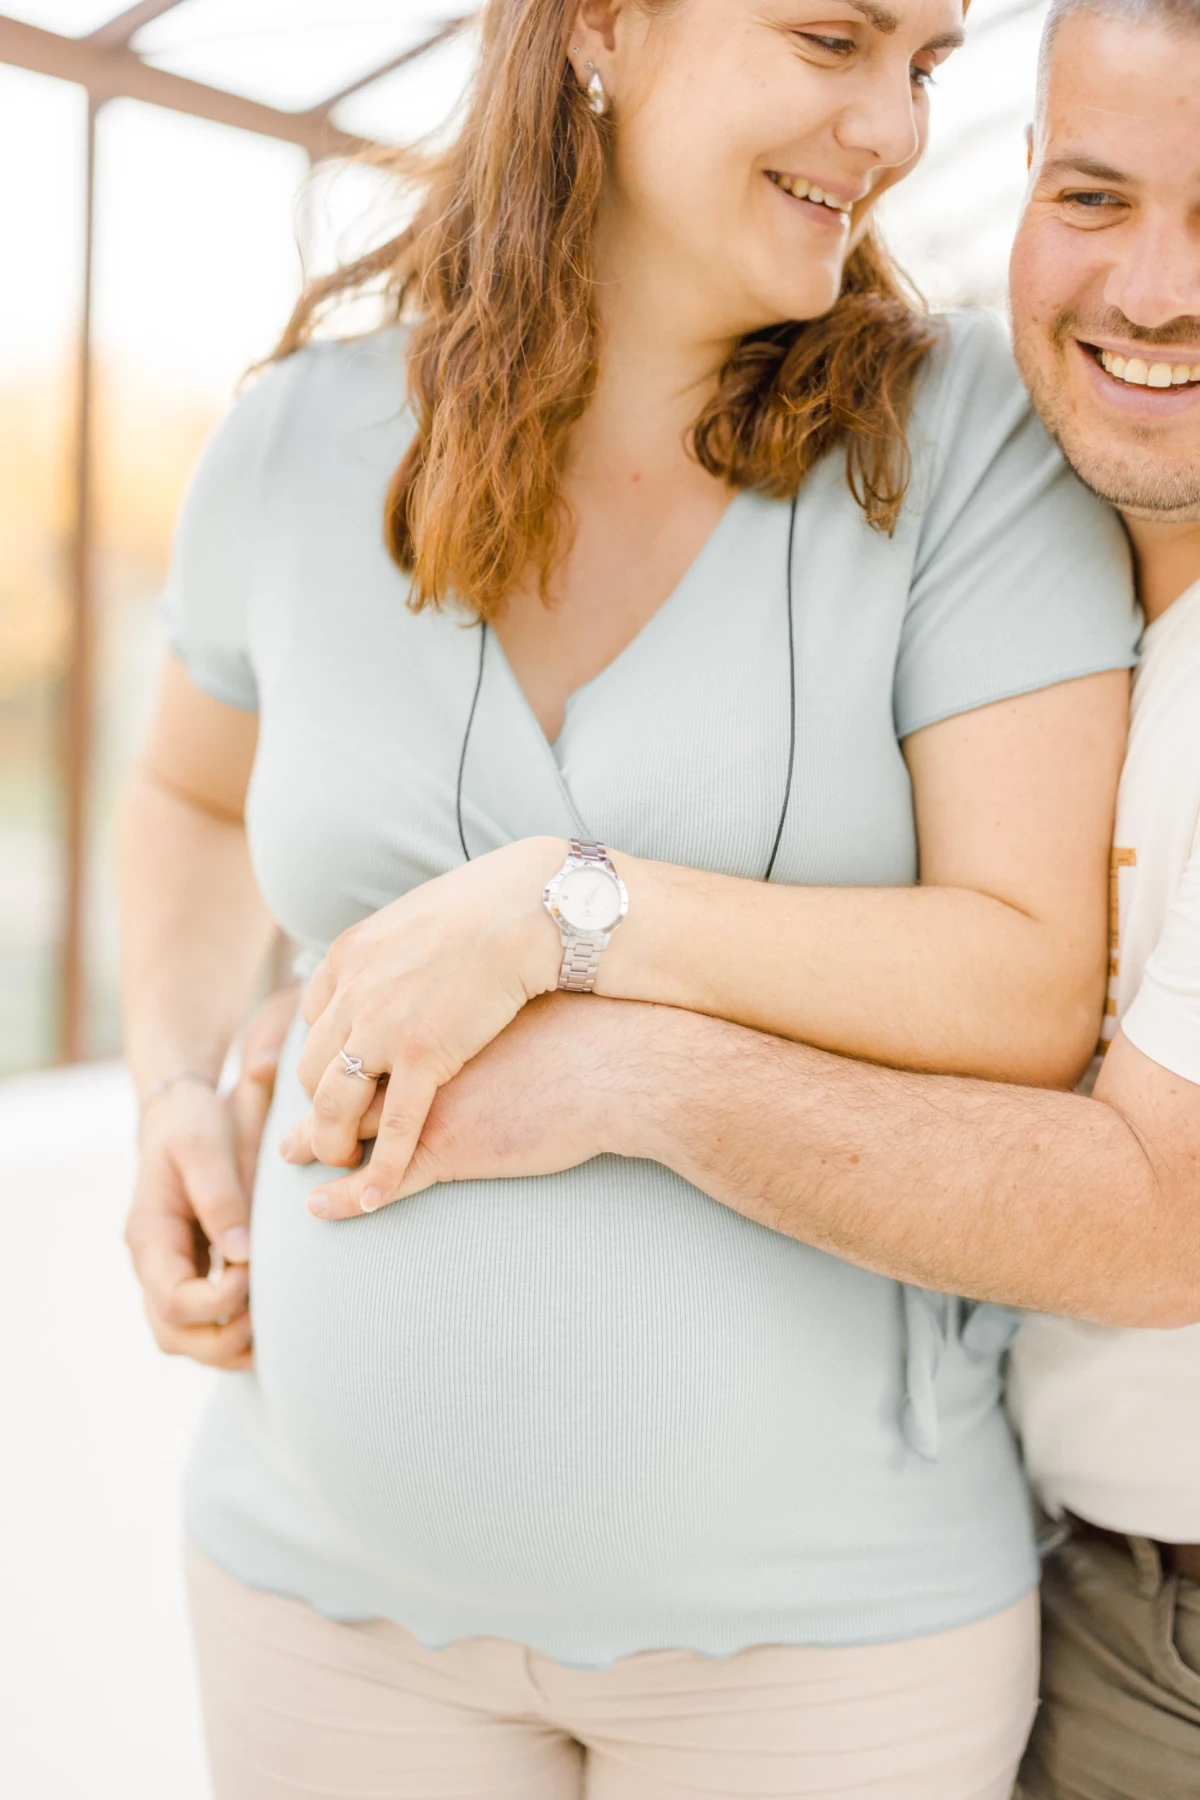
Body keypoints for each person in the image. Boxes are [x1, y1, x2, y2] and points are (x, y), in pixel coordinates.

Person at [120, 0, 1143, 1793]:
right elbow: (189, 794)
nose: (893, 129)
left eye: (927, 65)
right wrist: (168, 1094)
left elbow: (1032, 976)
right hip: (314, 1609)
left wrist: (569, 908)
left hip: (834, 1652)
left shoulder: (965, 436)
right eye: (834, 40)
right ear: (601, 23)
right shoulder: (295, 439)